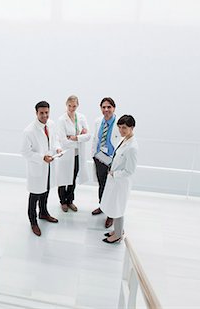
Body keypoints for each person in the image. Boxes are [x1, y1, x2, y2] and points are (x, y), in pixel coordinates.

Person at [21, 101, 62, 236]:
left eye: (46, 112)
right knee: (35, 195)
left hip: (49, 165)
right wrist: (41, 157)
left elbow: (54, 139)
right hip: (38, 167)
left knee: (46, 190)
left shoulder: (51, 124)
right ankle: (33, 221)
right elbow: (25, 152)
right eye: (42, 113)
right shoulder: (29, 131)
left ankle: (43, 213)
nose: (45, 115)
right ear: (36, 113)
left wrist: (57, 147)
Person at [100, 115, 138, 243]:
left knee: (118, 208)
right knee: (114, 206)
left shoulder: (132, 147)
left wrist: (114, 174)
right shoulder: (124, 140)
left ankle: (117, 235)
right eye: (120, 127)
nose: (121, 130)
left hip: (120, 182)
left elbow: (130, 170)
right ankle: (117, 230)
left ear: (132, 128)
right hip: (114, 179)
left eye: (125, 128)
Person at [55, 95, 91, 212]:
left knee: (73, 178)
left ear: (77, 105)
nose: (71, 108)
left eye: (74, 106)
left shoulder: (81, 117)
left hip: (77, 155)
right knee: (63, 179)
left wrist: (75, 137)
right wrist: (79, 138)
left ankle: (70, 200)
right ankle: (63, 202)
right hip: (65, 154)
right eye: (69, 106)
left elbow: (88, 136)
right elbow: (63, 140)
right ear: (66, 105)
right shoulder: (62, 120)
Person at [91, 97, 121, 228]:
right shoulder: (98, 121)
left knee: (112, 187)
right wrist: (94, 155)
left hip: (112, 160)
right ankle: (102, 206)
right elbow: (95, 138)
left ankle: (111, 215)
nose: (106, 109)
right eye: (104, 107)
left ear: (114, 108)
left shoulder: (119, 123)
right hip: (99, 158)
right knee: (102, 184)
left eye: (109, 107)